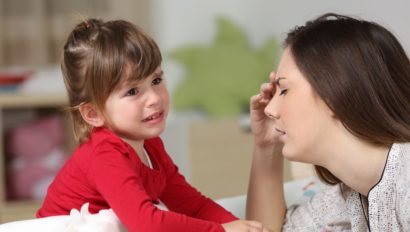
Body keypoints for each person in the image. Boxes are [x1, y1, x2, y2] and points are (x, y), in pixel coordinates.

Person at [36, 18, 269, 232]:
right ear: (93, 113)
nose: (155, 98)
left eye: (156, 80)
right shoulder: (105, 155)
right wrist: (221, 231)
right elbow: (147, 223)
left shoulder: (151, 146)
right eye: (133, 91)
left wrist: (238, 225)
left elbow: (192, 204)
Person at [246, 13, 410, 232]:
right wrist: (266, 146)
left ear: (334, 93)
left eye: (284, 90)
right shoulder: (351, 195)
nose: (269, 109)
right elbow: (264, 230)